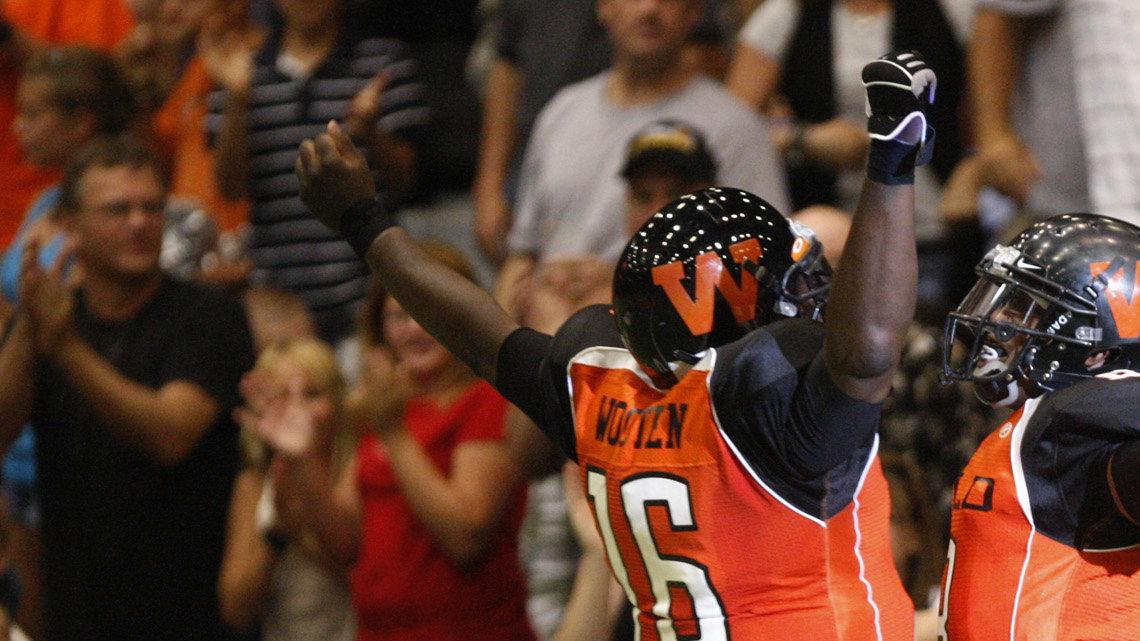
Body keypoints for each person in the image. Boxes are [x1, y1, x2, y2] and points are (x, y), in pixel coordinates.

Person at [295, 49, 938, 639]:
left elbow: (480, 335)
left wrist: (365, 223)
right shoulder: (765, 398)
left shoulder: (602, 385)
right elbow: (870, 346)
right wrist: (891, 164)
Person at [0, 135, 254, 640]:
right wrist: (30, 328)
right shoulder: (48, 319)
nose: (139, 223)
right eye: (117, 210)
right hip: (79, 617)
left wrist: (67, 349)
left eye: (151, 208)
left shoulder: (210, 317)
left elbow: (171, 436)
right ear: (69, 225)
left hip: (192, 617)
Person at [253, 241, 534, 641]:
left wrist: (393, 434)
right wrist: (305, 459)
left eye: (427, 310)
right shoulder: (383, 405)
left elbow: (466, 536)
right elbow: (346, 544)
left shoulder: (487, 400)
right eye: (399, 316)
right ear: (379, 329)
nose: (414, 329)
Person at [496, 0, 790, 313]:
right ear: (603, 7)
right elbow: (520, 257)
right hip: (548, 328)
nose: (649, 8)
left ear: (694, 12)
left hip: (665, 339)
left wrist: (623, 283)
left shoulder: (735, 126)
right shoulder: (561, 112)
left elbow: (765, 270)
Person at [937, 213, 1140, 640]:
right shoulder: (1047, 427)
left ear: (1095, 353)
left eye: (1027, 309)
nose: (998, 324)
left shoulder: (1071, 431)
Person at [201, 0, 427, 341]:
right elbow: (230, 187)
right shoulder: (240, 69)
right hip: (278, 301)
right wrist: (237, 97)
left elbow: (407, 180)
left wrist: (370, 133)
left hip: (368, 292)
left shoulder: (383, 63)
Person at [220, 337, 355, 640]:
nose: (297, 411)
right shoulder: (255, 483)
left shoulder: (359, 471)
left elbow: (371, 587)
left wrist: (298, 524)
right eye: (282, 396)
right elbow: (235, 611)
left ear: (338, 401)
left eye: (313, 394)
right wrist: (276, 532)